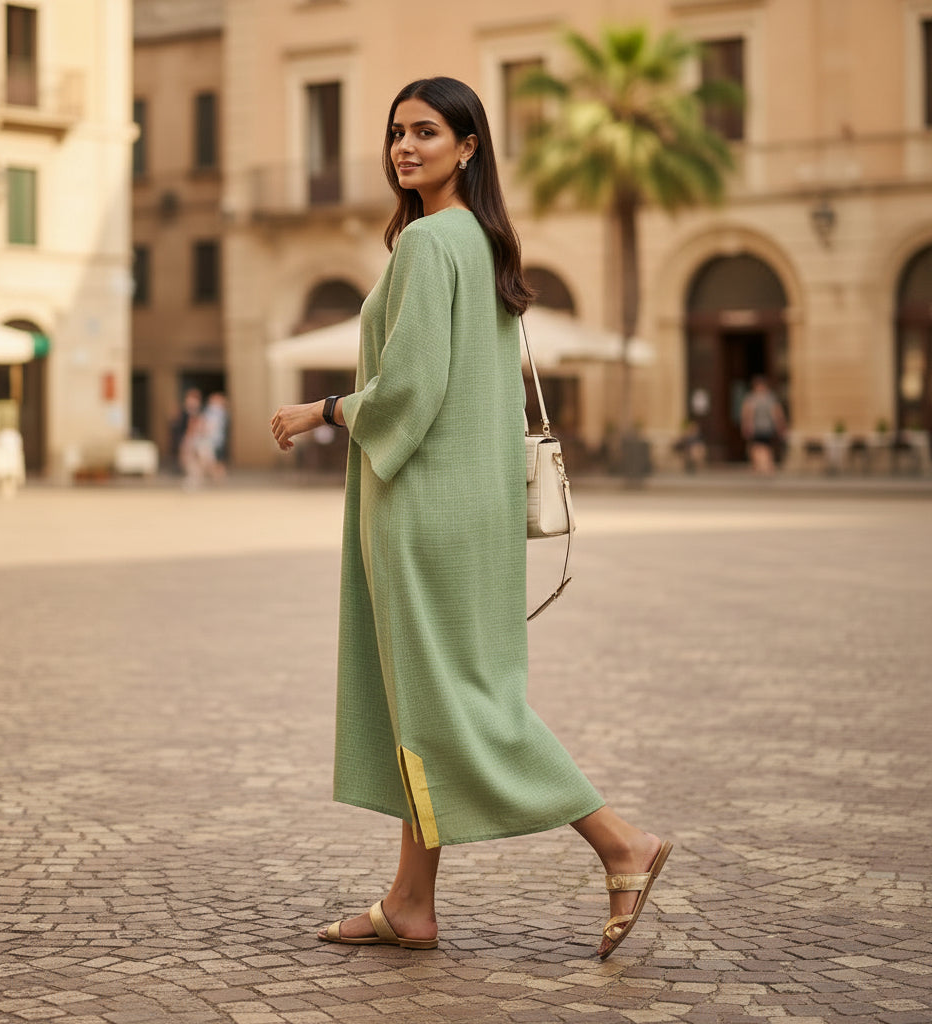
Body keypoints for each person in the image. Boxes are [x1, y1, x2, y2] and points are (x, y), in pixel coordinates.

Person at [270, 77, 670, 960]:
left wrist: (325, 410)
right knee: (440, 696)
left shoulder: (427, 245)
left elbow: (410, 390)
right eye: (396, 132)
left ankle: (621, 843)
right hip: (475, 509)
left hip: (422, 508)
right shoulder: (483, 242)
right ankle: (411, 902)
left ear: (468, 146)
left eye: (426, 131)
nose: (404, 146)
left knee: (458, 702)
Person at [740, 376, 786, 476]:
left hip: (759, 427)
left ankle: (762, 465)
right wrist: (780, 425)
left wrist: (747, 426)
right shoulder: (770, 398)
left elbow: (748, 413)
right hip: (766, 426)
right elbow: (777, 413)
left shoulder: (752, 398)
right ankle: (766, 465)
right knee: (764, 446)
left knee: (758, 446)